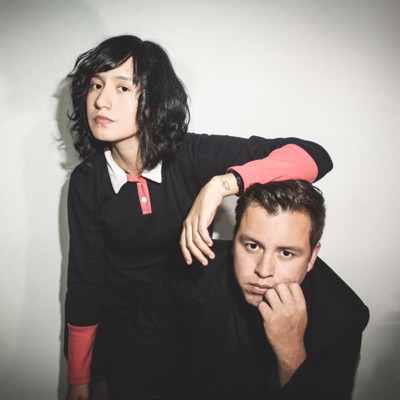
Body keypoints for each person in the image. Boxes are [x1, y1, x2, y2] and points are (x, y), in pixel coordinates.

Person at [64, 34, 333, 400]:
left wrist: (221, 185)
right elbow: (85, 282)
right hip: (123, 336)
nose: (101, 100)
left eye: (122, 87)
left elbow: (315, 156)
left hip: (190, 330)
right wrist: (78, 378)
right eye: (96, 85)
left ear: (152, 101)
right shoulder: (87, 181)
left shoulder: (191, 154)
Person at [109, 180, 369, 400]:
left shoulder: (343, 317)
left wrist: (291, 352)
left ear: (312, 257)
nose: (263, 270)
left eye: (286, 253)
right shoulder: (193, 271)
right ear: (234, 240)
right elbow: (133, 348)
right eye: (252, 246)